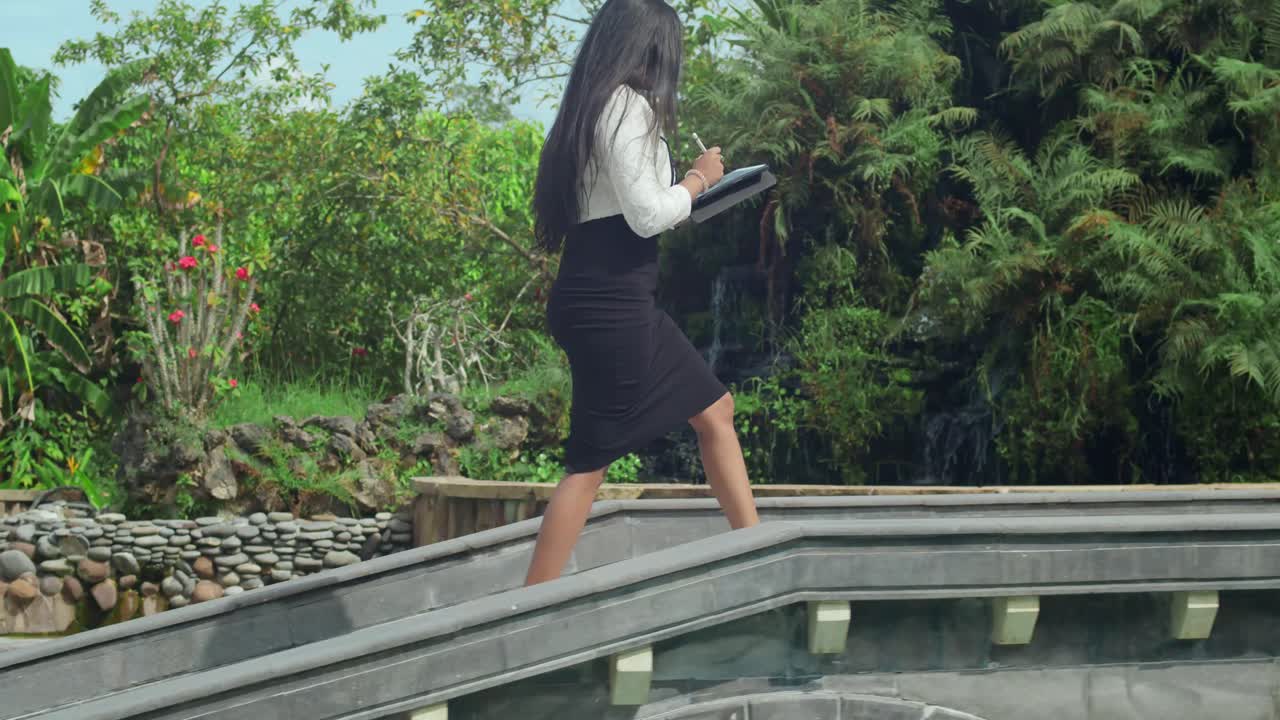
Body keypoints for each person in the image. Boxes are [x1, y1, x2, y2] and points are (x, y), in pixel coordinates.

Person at [525, 0, 760, 586]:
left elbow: (637, 214)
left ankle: (756, 551)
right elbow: (648, 215)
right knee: (591, 460)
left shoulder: (590, 108)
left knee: (715, 410)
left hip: (604, 293)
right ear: (648, 47)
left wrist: (694, 193)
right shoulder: (624, 108)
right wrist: (699, 178)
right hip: (613, 303)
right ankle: (529, 603)